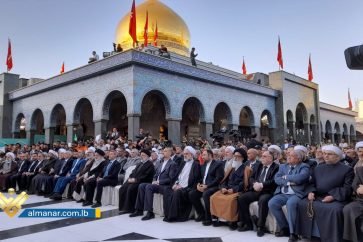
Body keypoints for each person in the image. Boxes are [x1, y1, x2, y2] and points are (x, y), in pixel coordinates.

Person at [297, 145, 354, 242]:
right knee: (302, 203)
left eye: (329, 154)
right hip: (318, 196)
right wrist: (311, 192)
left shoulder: (347, 169)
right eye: (324, 154)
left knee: (334, 210)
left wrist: (333, 196)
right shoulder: (318, 168)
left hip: (337, 198)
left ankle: (331, 238)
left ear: (337, 156)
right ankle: (309, 235)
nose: (326, 156)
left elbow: (347, 188)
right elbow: (311, 183)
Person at [268, 149, 310, 241]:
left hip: (296, 193)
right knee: (272, 203)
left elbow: (300, 178)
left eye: (291, 156)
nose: (288, 157)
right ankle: (284, 228)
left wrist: (286, 177)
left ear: (298, 158)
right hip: (283, 193)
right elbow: (277, 179)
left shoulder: (304, 166)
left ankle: (293, 233)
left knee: (290, 204)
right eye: (288, 155)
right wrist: (289, 183)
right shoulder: (283, 166)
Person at [237, 150, 279, 237]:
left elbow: (274, 181)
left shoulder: (276, 167)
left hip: (267, 191)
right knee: (241, 198)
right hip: (256, 189)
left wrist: (261, 185)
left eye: (264, 156)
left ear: (271, 158)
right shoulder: (259, 165)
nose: (261, 158)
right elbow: (251, 177)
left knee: (263, 201)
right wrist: (255, 184)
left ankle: (261, 226)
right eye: (262, 156)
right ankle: (248, 224)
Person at [131, 147, 178, 220]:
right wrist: (154, 180)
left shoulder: (172, 164)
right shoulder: (161, 163)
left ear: (170, 153)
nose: (163, 152)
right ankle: (139, 209)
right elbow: (155, 175)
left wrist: (159, 182)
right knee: (141, 185)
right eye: (163, 151)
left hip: (165, 186)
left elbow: (171, 178)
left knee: (149, 187)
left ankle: (150, 212)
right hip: (157, 184)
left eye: (165, 151)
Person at [210, 148, 247, 230]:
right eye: (235, 156)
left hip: (237, 190)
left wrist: (233, 190)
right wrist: (223, 188)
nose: (236, 158)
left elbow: (244, 183)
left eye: (238, 156)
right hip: (227, 189)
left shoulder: (246, 169)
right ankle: (216, 218)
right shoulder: (231, 168)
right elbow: (224, 180)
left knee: (230, 200)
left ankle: (231, 221)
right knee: (213, 197)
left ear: (243, 158)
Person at [163, 146, 200, 222]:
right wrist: (175, 184)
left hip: (187, 188)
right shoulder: (183, 163)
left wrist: (182, 187)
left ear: (192, 155)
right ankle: (167, 214)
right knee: (166, 190)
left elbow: (195, 179)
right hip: (178, 185)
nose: (185, 155)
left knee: (178, 192)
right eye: (184, 154)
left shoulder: (196, 164)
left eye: (187, 154)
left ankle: (173, 216)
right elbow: (177, 175)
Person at [189, 149, 224, 226]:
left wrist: (207, 186)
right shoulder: (203, 165)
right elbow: (201, 178)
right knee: (192, 194)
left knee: (206, 194)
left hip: (214, 186)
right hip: (204, 186)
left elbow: (218, 178)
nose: (202, 156)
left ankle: (209, 218)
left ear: (210, 155)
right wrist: (198, 185)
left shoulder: (218, 164)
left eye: (204, 155)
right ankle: (201, 214)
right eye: (202, 155)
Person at [118, 149, 155, 214]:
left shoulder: (150, 164)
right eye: (141, 155)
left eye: (143, 155)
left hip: (143, 181)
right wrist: (130, 178)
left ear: (148, 156)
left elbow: (146, 176)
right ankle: (123, 208)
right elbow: (133, 172)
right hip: (134, 180)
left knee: (131, 188)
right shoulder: (140, 163)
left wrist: (135, 180)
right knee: (123, 188)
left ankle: (131, 209)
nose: (142, 156)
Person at [343, 166, 363, 242]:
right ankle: (352, 239)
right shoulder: (360, 169)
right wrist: (358, 189)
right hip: (361, 200)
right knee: (349, 209)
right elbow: (355, 185)